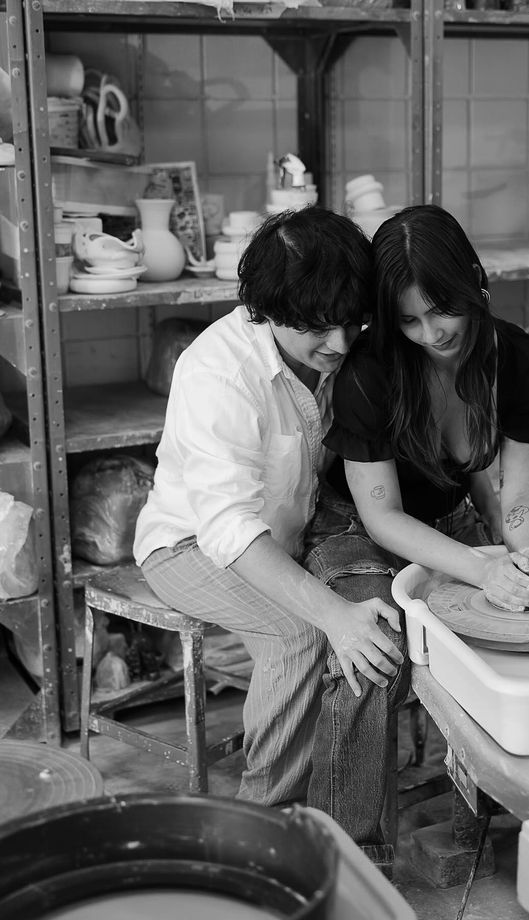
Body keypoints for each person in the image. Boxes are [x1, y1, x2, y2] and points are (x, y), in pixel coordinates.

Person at [132, 206, 405, 863]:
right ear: (266, 309)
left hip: (290, 533)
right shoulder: (218, 373)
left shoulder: (340, 345)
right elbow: (228, 527)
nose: (339, 342)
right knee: (300, 632)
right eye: (318, 327)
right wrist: (333, 615)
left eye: (352, 320)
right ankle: (255, 840)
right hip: (188, 545)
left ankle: (348, 829)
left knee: (380, 617)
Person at [303, 204, 529, 648]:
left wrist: (528, 567)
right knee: (379, 645)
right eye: (408, 320)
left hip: (453, 519)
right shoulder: (370, 370)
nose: (430, 334)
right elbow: (382, 515)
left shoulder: (519, 359)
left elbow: (520, 495)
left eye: (442, 310)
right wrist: (483, 571)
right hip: (358, 528)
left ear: (475, 281)